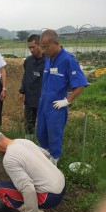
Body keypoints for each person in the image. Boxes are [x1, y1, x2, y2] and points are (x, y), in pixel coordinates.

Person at [0, 128, 65, 212]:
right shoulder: (23, 141)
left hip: (51, 197)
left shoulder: (9, 159)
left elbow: (28, 189)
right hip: (62, 183)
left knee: (1, 189)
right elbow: (46, 154)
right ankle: (37, 206)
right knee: (19, 182)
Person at [36, 29, 88, 166]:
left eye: (45, 47)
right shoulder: (48, 59)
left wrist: (67, 101)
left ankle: (54, 162)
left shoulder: (68, 60)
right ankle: (43, 160)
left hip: (56, 106)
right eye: (41, 47)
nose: (43, 50)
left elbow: (81, 84)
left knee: (54, 135)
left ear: (56, 43)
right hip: (43, 104)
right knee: (41, 132)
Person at [19, 34, 45, 140]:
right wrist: (22, 91)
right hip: (30, 97)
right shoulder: (28, 61)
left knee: (43, 123)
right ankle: (28, 143)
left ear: (40, 45)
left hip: (42, 97)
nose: (31, 49)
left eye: (33, 47)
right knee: (29, 122)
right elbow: (25, 77)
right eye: (29, 47)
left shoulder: (48, 61)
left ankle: (42, 145)